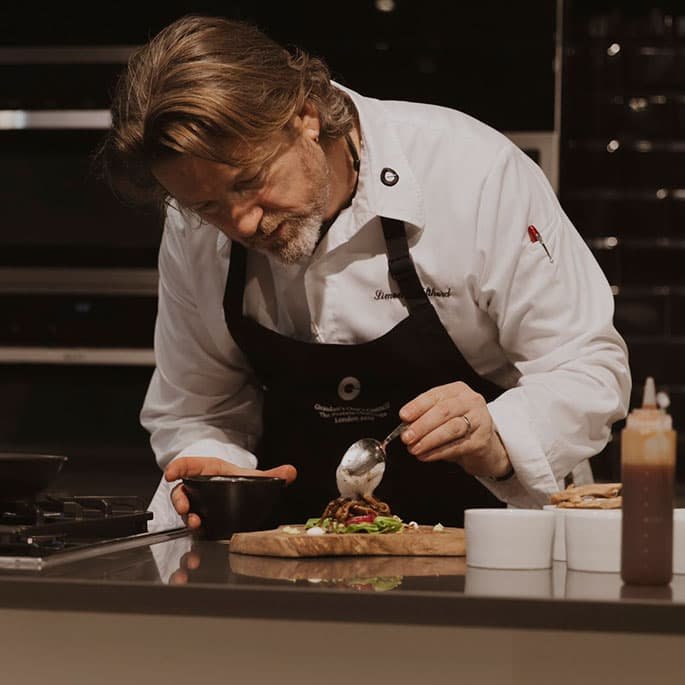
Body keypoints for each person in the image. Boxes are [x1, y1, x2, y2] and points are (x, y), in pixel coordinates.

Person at [98, 14, 631, 532]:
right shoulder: (192, 227)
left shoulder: (472, 173)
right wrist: (215, 468)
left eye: (248, 182)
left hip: (497, 539)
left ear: (305, 116)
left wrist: (497, 436)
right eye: (208, 206)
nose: (241, 222)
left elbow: (589, 368)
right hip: (296, 549)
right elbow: (197, 404)